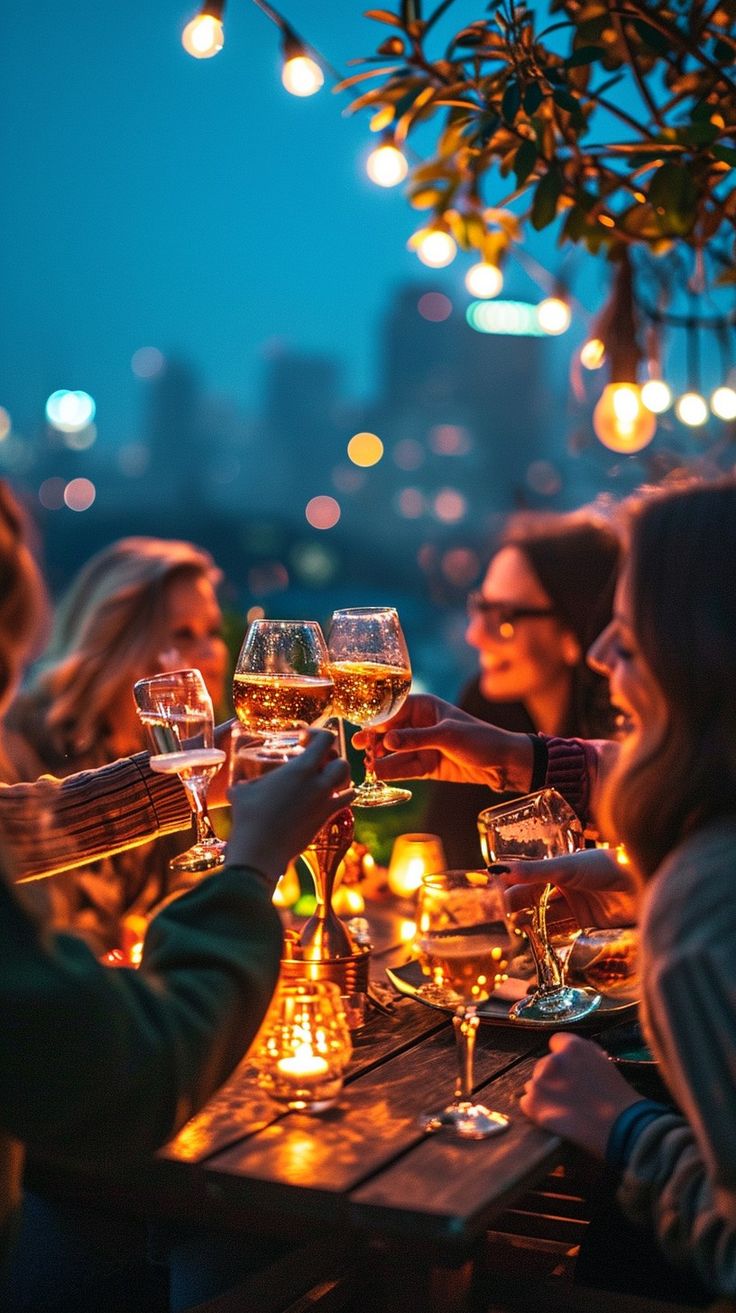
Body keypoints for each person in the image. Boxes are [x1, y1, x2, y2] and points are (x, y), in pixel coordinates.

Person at [361, 478, 736, 1297]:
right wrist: (628, 877)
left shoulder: (703, 914)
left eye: (630, 641)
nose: (604, 659)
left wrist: (625, 1126)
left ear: (702, 665)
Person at [0, 480, 355, 1296]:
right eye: (178, 633)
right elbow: (127, 1074)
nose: (200, 653)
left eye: (208, 633)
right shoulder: (30, 741)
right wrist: (252, 866)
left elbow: (22, 829)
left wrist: (183, 782)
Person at [5, 537, 230, 952]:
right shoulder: (23, 747)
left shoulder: (156, 751)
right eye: (182, 634)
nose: (209, 654)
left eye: (211, 632)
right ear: (119, 642)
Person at [422, 511, 620, 867]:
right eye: (479, 608)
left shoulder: (627, 733)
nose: (475, 635)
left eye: (505, 618)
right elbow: (444, 856)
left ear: (575, 631)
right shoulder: (483, 710)